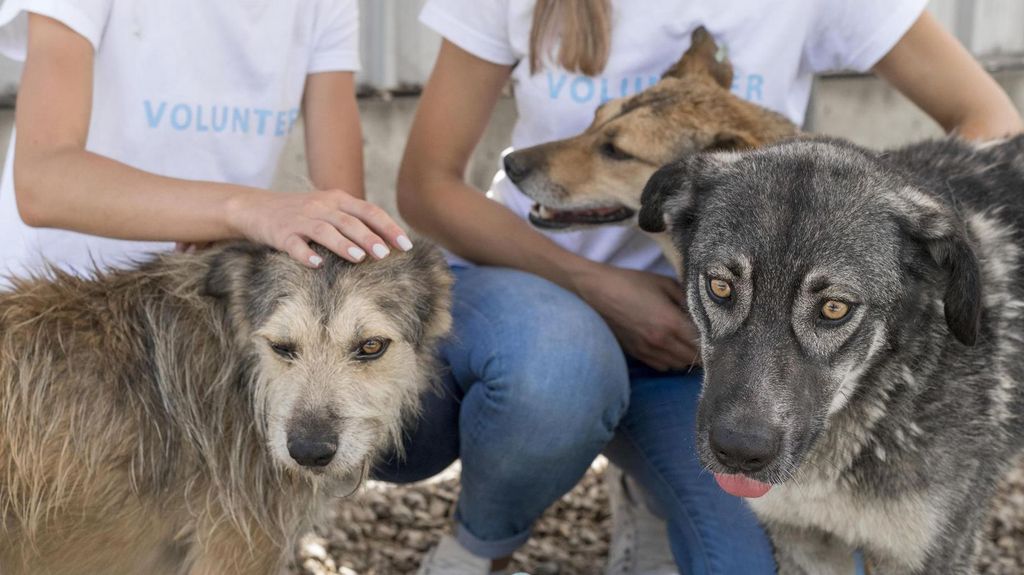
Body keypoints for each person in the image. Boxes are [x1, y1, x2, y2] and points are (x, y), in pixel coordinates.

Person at [380, 1, 1024, 574]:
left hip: (691, 343)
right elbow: (425, 186)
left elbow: (990, 122)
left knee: (747, 559)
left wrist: (872, 225)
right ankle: (477, 544)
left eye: (616, 151)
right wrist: (601, 286)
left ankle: (647, 484)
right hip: (537, 311)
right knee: (558, 371)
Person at [0, 0, 410, 288]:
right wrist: (244, 210)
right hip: (57, 309)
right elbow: (42, 182)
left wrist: (264, 224)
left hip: (204, 308)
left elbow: (341, 212)